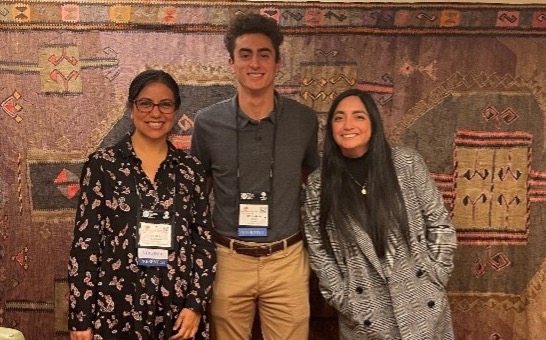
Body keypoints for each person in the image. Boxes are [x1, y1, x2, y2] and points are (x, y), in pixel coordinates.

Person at [190, 13, 319, 340]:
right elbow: (196, 193)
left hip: (287, 261)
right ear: (231, 63)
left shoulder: (304, 120)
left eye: (265, 54)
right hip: (228, 260)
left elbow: (311, 181)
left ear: (279, 62)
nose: (255, 63)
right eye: (245, 54)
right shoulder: (207, 123)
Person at [68, 69, 216, 340]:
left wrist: (196, 304)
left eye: (165, 104)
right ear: (131, 107)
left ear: (176, 109)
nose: (155, 113)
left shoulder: (190, 170)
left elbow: (203, 243)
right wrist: (81, 318)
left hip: (177, 311)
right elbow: (86, 245)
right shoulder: (103, 165)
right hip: (116, 309)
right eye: (145, 103)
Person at [303, 88, 457, 339]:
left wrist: (437, 273)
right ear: (330, 127)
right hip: (364, 313)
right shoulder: (320, 184)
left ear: (373, 122)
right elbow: (317, 248)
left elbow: (439, 223)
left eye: (358, 116)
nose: (348, 124)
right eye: (339, 117)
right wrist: (342, 296)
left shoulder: (406, 163)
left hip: (421, 300)